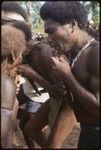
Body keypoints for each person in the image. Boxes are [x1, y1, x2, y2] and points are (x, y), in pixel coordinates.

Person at [17, 1, 100, 149]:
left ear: (73, 24)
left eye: (51, 31)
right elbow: (64, 92)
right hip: (86, 129)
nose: (48, 38)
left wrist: (67, 74)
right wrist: (59, 78)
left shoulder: (95, 53)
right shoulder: (71, 53)